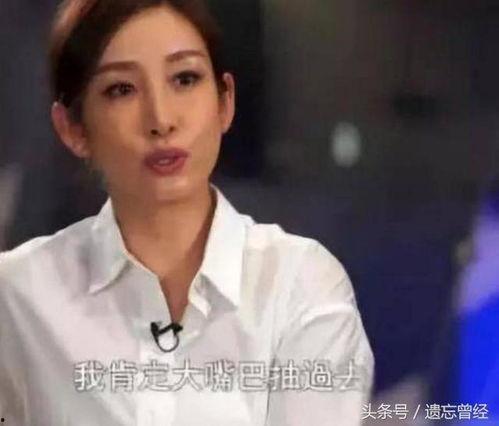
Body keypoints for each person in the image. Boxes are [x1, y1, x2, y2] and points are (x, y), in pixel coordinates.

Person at [0, 0, 374, 424]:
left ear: (224, 102)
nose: (161, 120)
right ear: (72, 128)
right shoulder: (19, 294)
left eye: (185, 79)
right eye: (121, 89)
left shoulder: (298, 284)